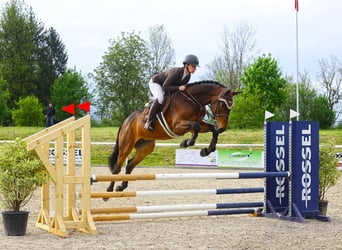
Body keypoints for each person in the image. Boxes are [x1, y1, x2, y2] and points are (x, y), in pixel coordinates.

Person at [144, 54, 199, 131]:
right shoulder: (176, 72)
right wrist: (178, 88)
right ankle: (148, 121)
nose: (195, 69)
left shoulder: (188, 76)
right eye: (193, 66)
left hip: (167, 86)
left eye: (195, 67)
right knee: (160, 98)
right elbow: (165, 87)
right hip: (156, 83)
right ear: (187, 65)